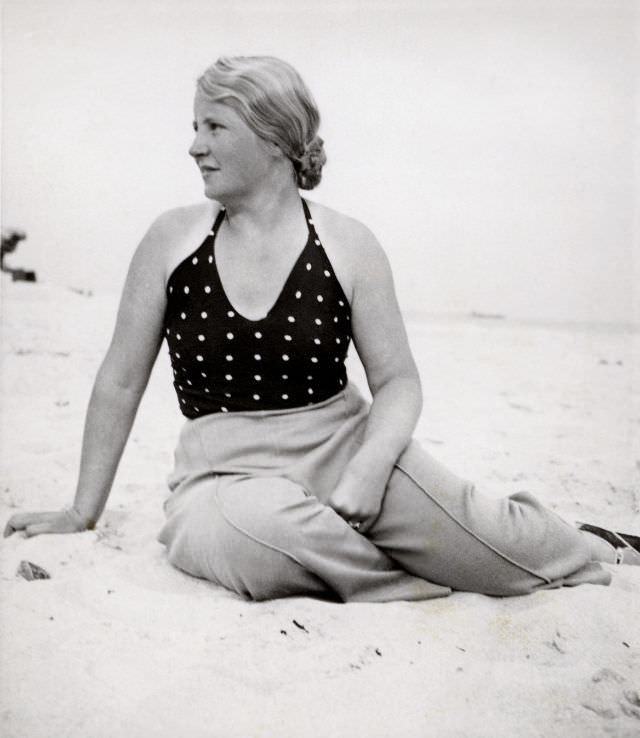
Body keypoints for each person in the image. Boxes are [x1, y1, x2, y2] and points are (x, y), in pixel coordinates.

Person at [4, 56, 638, 602]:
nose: (194, 144)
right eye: (194, 126)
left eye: (214, 126)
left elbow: (398, 382)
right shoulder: (170, 241)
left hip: (344, 448)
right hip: (221, 478)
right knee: (247, 544)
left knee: (490, 541)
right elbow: (119, 381)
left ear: (275, 139)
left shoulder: (347, 245)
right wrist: (80, 510)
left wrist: (368, 468)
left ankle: (589, 545)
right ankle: (425, 584)